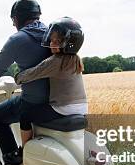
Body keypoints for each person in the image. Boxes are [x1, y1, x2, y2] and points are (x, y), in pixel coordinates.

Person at [0, 0, 51, 165]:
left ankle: (13, 161)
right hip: (58, 98)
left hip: (33, 101)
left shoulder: (18, 39)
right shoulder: (51, 34)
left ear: (18, 18)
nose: (13, 23)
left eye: (13, 20)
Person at [14, 17, 88, 146]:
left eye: (58, 41)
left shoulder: (55, 61)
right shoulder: (76, 59)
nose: (52, 43)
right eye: (52, 39)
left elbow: (32, 73)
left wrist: (18, 77)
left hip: (63, 108)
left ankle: (23, 151)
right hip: (82, 108)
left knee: (25, 115)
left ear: (69, 43)